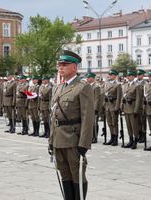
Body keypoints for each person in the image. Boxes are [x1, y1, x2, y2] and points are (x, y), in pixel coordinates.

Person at [49, 50, 94, 200]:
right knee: (64, 175)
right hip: (58, 140)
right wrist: (51, 141)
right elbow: (53, 117)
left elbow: (87, 118)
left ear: (74, 67)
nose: (60, 67)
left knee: (77, 176)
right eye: (59, 65)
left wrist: (84, 144)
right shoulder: (58, 88)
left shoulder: (83, 87)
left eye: (65, 64)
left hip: (73, 140)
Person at [121, 70, 142, 149]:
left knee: (134, 126)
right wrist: (121, 106)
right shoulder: (125, 85)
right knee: (128, 126)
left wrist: (136, 110)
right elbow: (123, 96)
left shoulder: (137, 85)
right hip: (126, 107)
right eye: (128, 76)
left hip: (133, 108)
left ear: (133, 76)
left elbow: (138, 99)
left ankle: (135, 141)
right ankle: (130, 140)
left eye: (130, 76)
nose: (128, 77)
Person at [104, 69, 122, 146]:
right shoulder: (106, 84)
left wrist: (117, 107)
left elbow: (119, 97)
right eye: (110, 75)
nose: (110, 76)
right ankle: (112, 137)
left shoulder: (118, 85)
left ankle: (115, 138)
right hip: (107, 105)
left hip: (113, 105)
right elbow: (104, 94)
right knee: (109, 123)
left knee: (115, 123)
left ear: (115, 76)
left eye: (112, 75)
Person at [86, 72, 101, 143]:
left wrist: (95, 109)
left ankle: (95, 137)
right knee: (89, 123)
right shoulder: (88, 86)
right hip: (88, 107)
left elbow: (97, 98)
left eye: (88, 77)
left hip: (93, 108)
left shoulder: (96, 86)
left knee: (94, 123)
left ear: (92, 78)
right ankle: (91, 136)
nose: (87, 79)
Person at [136, 69, 146, 143]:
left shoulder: (145, 83)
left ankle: (143, 135)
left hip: (142, 104)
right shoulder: (135, 83)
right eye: (138, 75)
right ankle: (139, 134)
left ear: (143, 75)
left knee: (143, 121)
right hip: (136, 104)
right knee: (137, 121)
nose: (138, 76)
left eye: (140, 75)